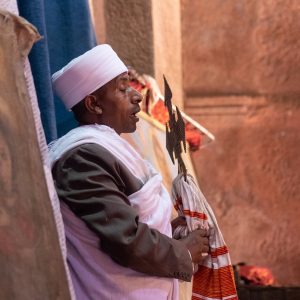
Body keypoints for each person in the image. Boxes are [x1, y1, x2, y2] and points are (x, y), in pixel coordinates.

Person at [49, 44, 209, 300]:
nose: (136, 96)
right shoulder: (83, 156)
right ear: (94, 104)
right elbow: (124, 239)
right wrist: (184, 252)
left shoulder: (107, 147)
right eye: (122, 88)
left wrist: (168, 229)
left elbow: (120, 220)